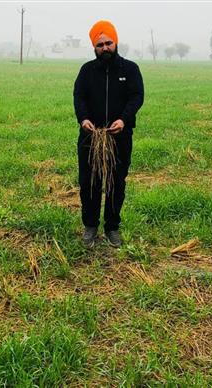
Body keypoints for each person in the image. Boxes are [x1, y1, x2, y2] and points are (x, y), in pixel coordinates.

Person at [73, 20, 144, 248]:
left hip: (119, 137)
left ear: (116, 42)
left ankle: (112, 228)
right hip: (91, 136)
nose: (105, 48)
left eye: (108, 43)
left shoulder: (130, 69)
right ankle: (90, 226)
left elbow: (137, 96)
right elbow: (79, 96)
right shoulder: (86, 70)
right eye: (100, 44)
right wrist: (83, 119)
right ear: (94, 47)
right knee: (89, 182)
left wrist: (123, 120)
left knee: (116, 182)